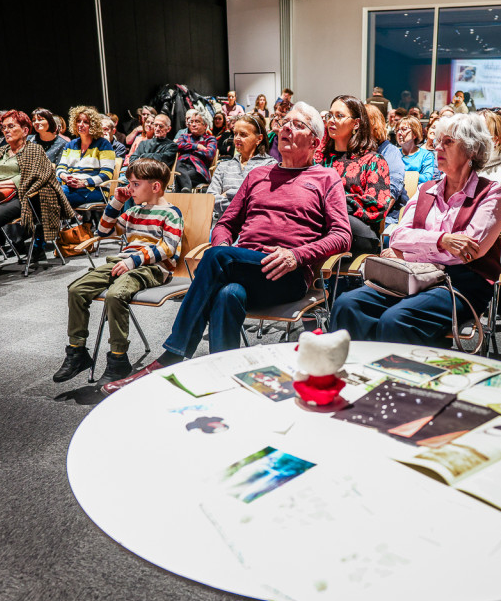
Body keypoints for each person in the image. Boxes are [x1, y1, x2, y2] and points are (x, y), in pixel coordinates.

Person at [100, 102, 351, 395]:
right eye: (285, 121)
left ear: (314, 141)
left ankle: (173, 354)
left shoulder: (325, 178)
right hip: (242, 266)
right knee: (228, 294)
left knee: (219, 259)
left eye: (298, 125)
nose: (285, 127)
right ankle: (225, 381)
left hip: (286, 274)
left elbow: (342, 236)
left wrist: (297, 255)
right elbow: (226, 224)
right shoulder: (258, 176)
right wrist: (222, 249)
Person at [330, 113, 501, 346]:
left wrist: (410, 250)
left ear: (472, 150)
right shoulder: (426, 189)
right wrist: (441, 240)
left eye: (448, 142)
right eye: (438, 140)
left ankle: (399, 378)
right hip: (412, 275)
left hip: (460, 283)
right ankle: (353, 373)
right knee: (347, 304)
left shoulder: (491, 193)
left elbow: (468, 252)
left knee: (397, 320)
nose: (437, 147)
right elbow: (397, 237)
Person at [54, 159, 183, 385]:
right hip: (123, 262)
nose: (129, 189)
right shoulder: (133, 210)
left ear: (155, 187)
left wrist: (134, 260)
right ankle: (77, 351)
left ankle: (118, 358)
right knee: (76, 289)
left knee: (115, 295)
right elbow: (103, 230)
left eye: (135, 184)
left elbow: (168, 247)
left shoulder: (171, 213)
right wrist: (116, 201)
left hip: (153, 268)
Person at [0, 110, 75, 274]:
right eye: (4, 127)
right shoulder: (1, 151)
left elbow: (32, 176)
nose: (6, 130)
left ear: (25, 130)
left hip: (23, 197)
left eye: (11, 126)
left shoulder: (34, 150)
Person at [321, 95, 393, 255]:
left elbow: (378, 206)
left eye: (339, 116)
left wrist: (337, 204)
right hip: (324, 225)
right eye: (329, 115)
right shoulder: (321, 160)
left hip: (358, 230)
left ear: (356, 123)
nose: (331, 120)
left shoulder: (373, 160)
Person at [206, 114, 274, 225]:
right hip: (224, 226)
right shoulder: (223, 166)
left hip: (255, 227)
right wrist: (244, 199)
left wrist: (228, 194)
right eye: (235, 133)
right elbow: (210, 199)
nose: (237, 138)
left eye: (243, 134)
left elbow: (261, 202)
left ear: (259, 139)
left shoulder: (269, 166)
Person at [57, 105, 116, 205]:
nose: (80, 124)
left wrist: (84, 182)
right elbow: (60, 168)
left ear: (93, 125)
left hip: (95, 189)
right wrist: (66, 177)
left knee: (56, 197)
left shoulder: (104, 144)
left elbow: (107, 174)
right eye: (78, 121)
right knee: (46, 195)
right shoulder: (70, 145)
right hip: (70, 187)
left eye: (85, 122)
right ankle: (72, 217)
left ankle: (72, 217)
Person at [366, 102, 406, 223]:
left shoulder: (389, 151)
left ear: (374, 125)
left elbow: (393, 188)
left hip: (385, 217)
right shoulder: (356, 151)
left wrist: (372, 219)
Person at [173, 111, 217, 192]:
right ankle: (186, 190)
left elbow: (209, 154)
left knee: (179, 178)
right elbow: (177, 146)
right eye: (191, 122)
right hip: (181, 165)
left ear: (205, 125)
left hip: (198, 169)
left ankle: (184, 193)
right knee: (179, 168)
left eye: (197, 122)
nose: (193, 125)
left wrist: (187, 150)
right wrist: (197, 146)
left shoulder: (210, 139)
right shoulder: (184, 136)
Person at [396, 116, 436, 184]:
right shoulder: (394, 154)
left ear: (415, 134)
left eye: (404, 129)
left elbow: (427, 178)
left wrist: (401, 175)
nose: (399, 133)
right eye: (397, 130)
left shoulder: (426, 155)